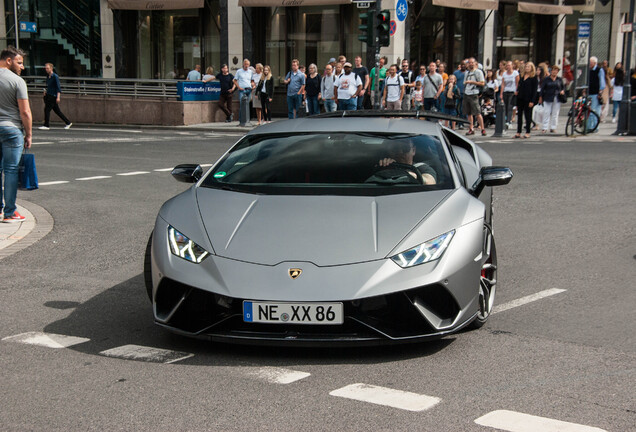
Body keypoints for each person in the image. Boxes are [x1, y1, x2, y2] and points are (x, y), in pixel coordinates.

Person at [0, 46, 32, 222]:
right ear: (9, 61)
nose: (22, 67)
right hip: (11, 129)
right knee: (11, 170)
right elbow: (25, 112)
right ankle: (10, 212)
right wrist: (28, 134)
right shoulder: (17, 81)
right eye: (19, 62)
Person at [39, 63, 72, 130]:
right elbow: (48, 85)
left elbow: (58, 87)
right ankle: (68, 122)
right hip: (49, 94)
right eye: (45, 68)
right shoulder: (48, 76)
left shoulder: (55, 76)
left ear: (51, 68)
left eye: (47, 68)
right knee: (57, 111)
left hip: (53, 95)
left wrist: (58, 96)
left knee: (47, 110)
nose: (46, 70)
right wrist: (45, 91)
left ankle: (46, 125)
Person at [538, 65, 565, 133]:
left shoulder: (559, 79)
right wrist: (540, 97)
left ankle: (553, 127)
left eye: (556, 71)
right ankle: (544, 127)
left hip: (557, 97)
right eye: (553, 70)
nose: (554, 72)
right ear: (551, 71)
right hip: (548, 97)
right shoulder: (546, 79)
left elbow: (562, 87)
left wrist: (562, 91)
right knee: (546, 112)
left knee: (555, 113)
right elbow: (542, 89)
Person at [463, 58, 486, 136]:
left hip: (474, 93)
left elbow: (482, 83)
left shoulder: (478, 72)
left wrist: (472, 82)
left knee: (477, 112)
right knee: (469, 113)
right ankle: (471, 128)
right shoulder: (467, 73)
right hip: (467, 93)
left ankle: (483, 129)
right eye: (469, 63)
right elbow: (464, 82)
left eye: (472, 63)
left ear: (475, 63)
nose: (470, 64)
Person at [515, 62, 538, 139]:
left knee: (528, 116)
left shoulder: (534, 77)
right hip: (520, 98)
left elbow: (535, 90)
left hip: (528, 99)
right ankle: (518, 132)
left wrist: (532, 101)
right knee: (519, 116)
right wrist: (517, 91)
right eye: (526, 67)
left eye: (528, 67)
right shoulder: (522, 76)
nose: (527, 68)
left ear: (532, 68)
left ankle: (528, 132)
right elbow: (520, 85)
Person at [234, 59, 254, 127]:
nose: (246, 66)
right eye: (245, 64)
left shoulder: (250, 72)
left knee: (247, 105)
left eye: (248, 64)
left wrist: (253, 85)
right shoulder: (239, 71)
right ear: (243, 64)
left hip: (249, 89)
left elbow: (252, 80)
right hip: (242, 90)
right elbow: (235, 80)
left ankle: (247, 120)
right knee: (242, 104)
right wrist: (239, 87)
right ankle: (241, 121)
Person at [588, 57, 605, 131]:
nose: (589, 64)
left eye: (591, 63)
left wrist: (600, 92)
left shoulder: (599, 70)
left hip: (595, 93)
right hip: (589, 92)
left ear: (595, 63)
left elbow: (602, 82)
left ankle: (595, 127)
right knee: (589, 111)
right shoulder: (588, 70)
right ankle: (589, 126)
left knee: (595, 111)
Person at [499, 61, 519, 127]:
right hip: (505, 91)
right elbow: (503, 84)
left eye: (509, 65)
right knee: (505, 106)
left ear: (512, 66)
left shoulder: (515, 73)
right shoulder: (504, 74)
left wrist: (517, 90)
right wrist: (501, 93)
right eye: (507, 65)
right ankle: (505, 119)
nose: (508, 67)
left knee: (510, 106)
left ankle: (509, 121)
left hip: (512, 92)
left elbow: (517, 83)